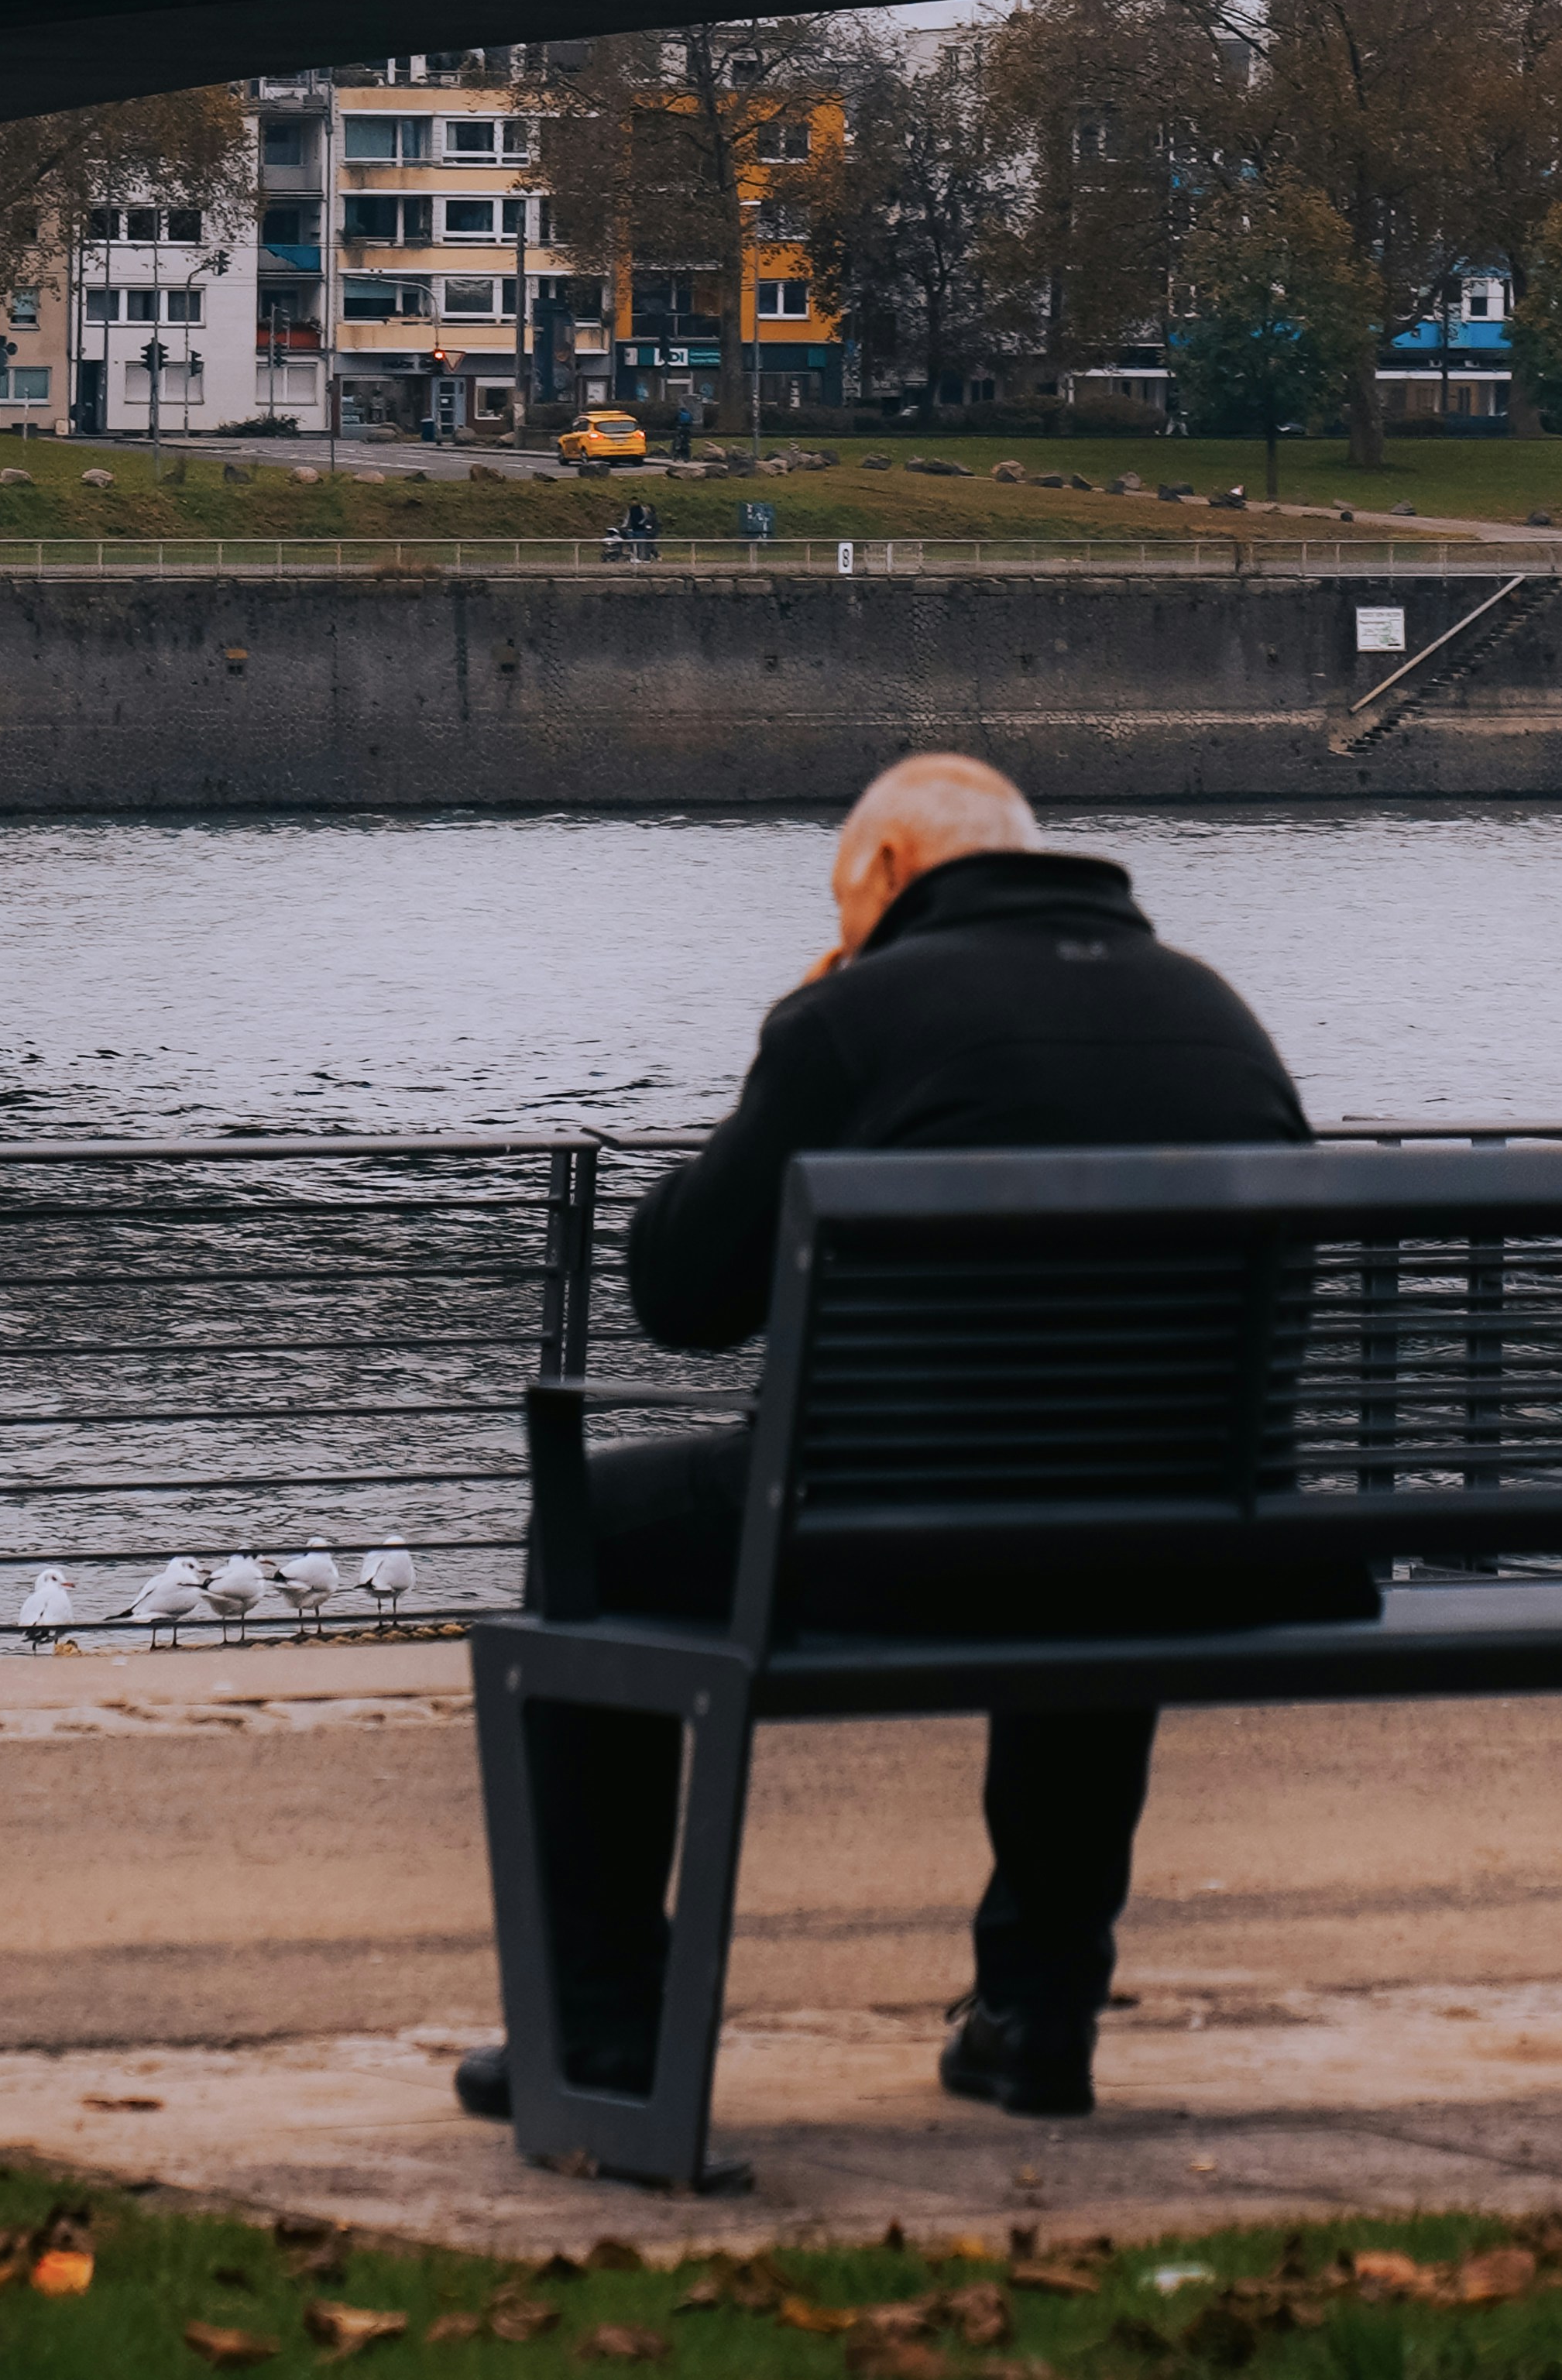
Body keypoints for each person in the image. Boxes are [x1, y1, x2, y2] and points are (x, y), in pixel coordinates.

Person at [462, 754, 1310, 2131]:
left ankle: (605, 2028)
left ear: (895, 873)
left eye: (846, 899)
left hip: (886, 1542)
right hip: (1200, 1545)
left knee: (592, 1529)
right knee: (1095, 1512)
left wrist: (800, 1018)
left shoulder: (861, 1013)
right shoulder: (1215, 1010)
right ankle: (1039, 2010)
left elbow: (679, 1293)